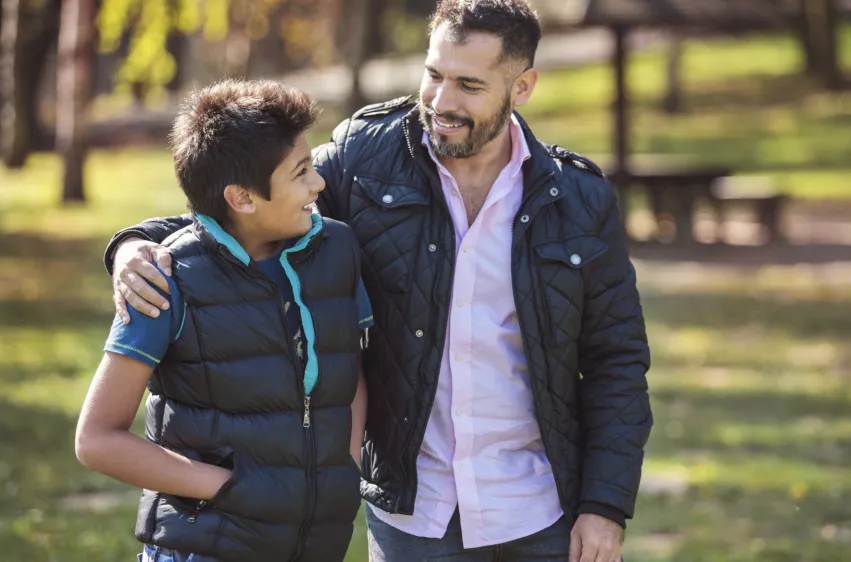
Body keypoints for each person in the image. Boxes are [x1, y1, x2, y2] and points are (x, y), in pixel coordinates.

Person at [103, 1, 652, 561]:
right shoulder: (365, 156)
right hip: (414, 512)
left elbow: (616, 359)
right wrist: (133, 242)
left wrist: (604, 506)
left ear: (523, 86)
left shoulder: (579, 198)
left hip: (542, 509)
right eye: (433, 75)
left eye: (469, 84)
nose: (442, 101)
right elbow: (247, 204)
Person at [75, 79, 374, 562]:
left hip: (316, 545)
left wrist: (345, 465)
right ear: (242, 198)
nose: (318, 184)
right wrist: (228, 486)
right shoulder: (164, 279)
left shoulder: (337, 251)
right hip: (204, 548)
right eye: (301, 172)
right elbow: (96, 440)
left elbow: (349, 368)